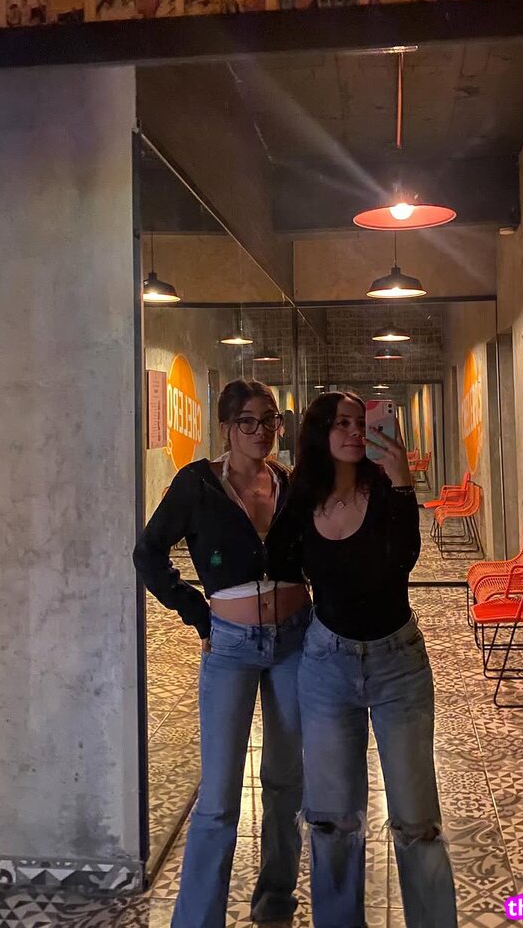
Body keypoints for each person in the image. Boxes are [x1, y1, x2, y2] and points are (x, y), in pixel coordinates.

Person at [271, 392, 457, 928]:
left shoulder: (385, 490)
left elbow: (402, 561)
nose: (355, 432)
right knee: (332, 822)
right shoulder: (302, 500)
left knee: (417, 821)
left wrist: (403, 484)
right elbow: (276, 561)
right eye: (342, 424)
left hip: (398, 665)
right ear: (320, 434)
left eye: (361, 422)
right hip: (326, 666)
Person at [134, 379, 310, 928]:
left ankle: (276, 902)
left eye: (270, 420)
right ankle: (197, 918)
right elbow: (148, 552)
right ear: (227, 427)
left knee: (285, 782)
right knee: (218, 795)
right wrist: (196, 612)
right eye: (248, 421)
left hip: (294, 642)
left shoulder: (288, 482)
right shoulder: (198, 484)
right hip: (230, 646)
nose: (262, 431)